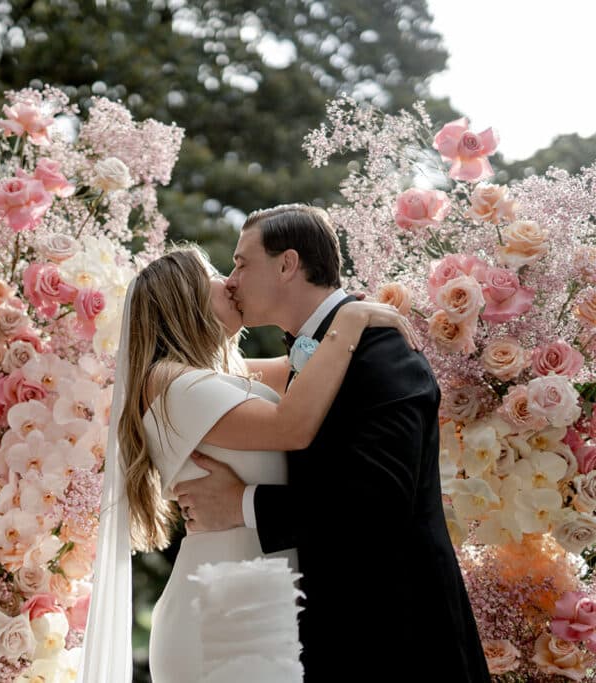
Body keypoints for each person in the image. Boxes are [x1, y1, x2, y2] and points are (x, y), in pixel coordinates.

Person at [174, 205, 490, 682]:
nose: (232, 279)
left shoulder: (382, 352)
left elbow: (379, 502)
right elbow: (209, 375)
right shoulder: (322, 349)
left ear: (287, 265)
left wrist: (241, 504)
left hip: (401, 637)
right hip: (339, 636)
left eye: (242, 263)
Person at [80, 245, 420, 682]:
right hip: (221, 608)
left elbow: (302, 368)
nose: (231, 283)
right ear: (185, 298)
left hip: (257, 597)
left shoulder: (216, 376)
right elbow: (290, 426)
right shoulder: (168, 382)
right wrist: (351, 319)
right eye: (217, 275)